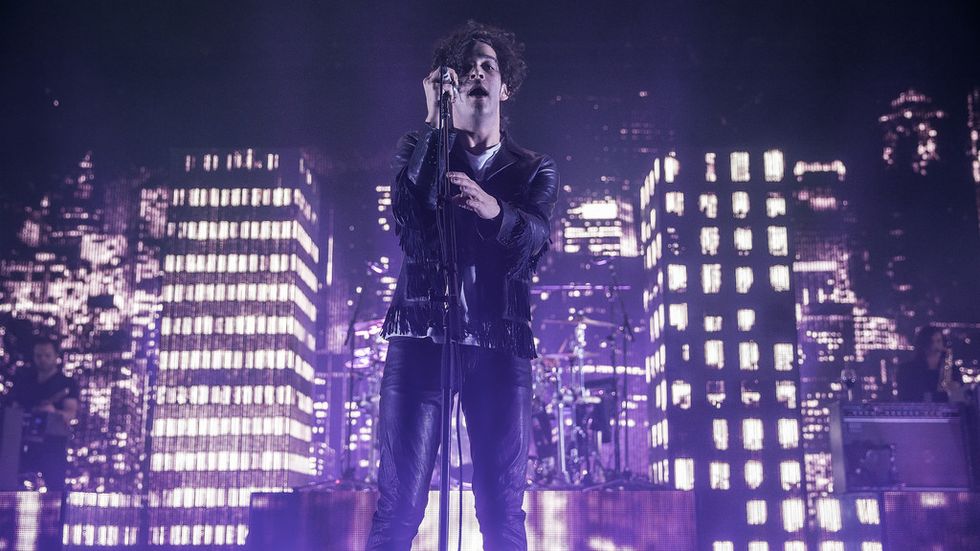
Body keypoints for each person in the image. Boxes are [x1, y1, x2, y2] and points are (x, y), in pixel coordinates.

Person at [367, 21, 559, 551]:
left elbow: (535, 240)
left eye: (487, 67)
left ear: (505, 87)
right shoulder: (418, 147)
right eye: (465, 68)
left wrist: (494, 210)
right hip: (421, 338)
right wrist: (435, 123)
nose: (476, 74)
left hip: (501, 346)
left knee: (502, 511)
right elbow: (408, 219)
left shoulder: (533, 169)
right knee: (399, 507)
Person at [6, 339, 79, 491]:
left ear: (56, 356)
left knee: (54, 488)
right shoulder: (25, 382)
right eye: (39, 356)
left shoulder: (66, 383)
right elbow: (13, 407)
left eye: (47, 355)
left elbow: (70, 413)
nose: (43, 359)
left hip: (52, 445)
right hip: (22, 443)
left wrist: (53, 413)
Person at [896, 325, 963, 402]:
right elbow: (903, 396)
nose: (935, 346)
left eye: (938, 341)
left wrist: (955, 386)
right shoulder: (906, 369)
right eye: (931, 342)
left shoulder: (953, 369)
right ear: (923, 345)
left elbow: (961, 393)